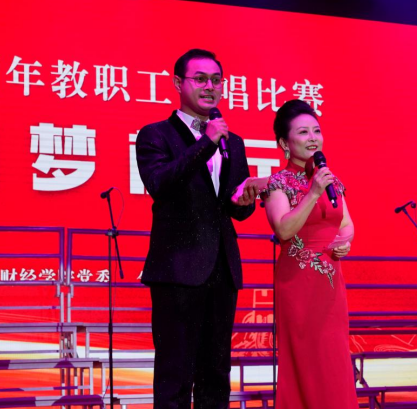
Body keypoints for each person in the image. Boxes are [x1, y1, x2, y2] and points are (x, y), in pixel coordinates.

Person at [136, 49, 259, 409]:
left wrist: (245, 200)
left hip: (222, 268)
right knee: (175, 374)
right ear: (178, 83)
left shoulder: (234, 142)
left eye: (216, 80)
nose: (210, 87)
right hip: (177, 269)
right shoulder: (155, 135)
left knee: (216, 373)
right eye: (201, 79)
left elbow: (237, 209)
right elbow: (160, 183)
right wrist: (207, 142)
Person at [263, 99, 358, 408]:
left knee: (334, 359)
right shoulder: (278, 183)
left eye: (316, 130)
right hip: (298, 285)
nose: (313, 138)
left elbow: (346, 223)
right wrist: (313, 193)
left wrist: (344, 242)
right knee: (306, 361)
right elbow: (284, 230)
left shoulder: (331, 179)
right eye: (303, 132)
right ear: (284, 143)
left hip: (330, 284)